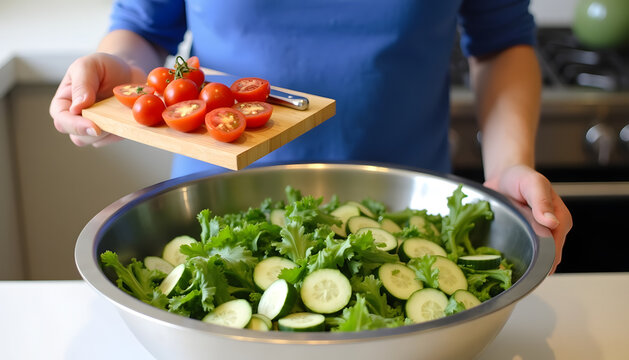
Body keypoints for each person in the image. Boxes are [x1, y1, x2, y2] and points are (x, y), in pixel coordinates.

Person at [49, 0, 571, 271]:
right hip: (215, 218)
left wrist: (506, 165)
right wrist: (120, 78)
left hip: (407, 220)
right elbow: (143, 28)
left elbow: (503, 43)